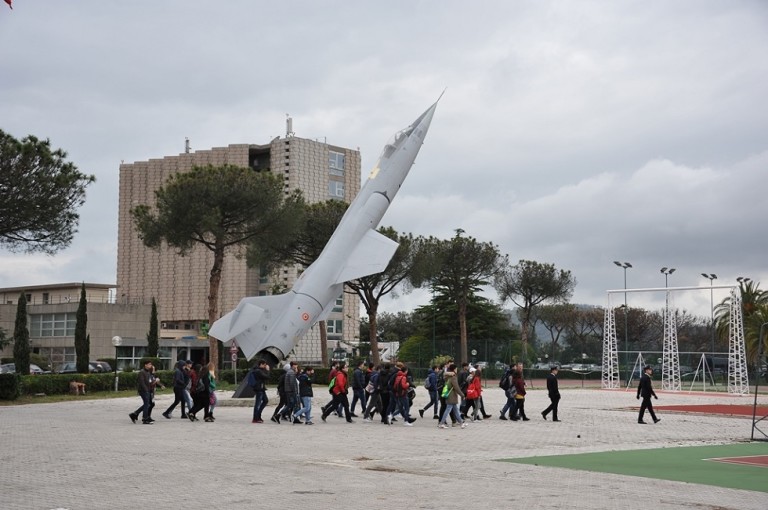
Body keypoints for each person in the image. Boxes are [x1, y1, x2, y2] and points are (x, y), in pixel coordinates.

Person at [438, 363, 467, 429]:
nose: (457, 370)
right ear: (454, 369)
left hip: (449, 395)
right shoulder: (453, 377)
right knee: (448, 410)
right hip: (452, 396)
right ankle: (441, 423)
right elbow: (456, 387)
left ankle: (461, 423)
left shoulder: (448, 376)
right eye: (456, 369)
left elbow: (444, 374)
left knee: (455, 410)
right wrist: (462, 395)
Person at [129, 360, 155, 424]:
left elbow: (149, 382)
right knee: (147, 404)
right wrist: (146, 390)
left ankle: (135, 414)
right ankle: (144, 419)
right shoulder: (142, 372)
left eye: (151, 364)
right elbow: (142, 383)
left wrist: (154, 382)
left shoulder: (148, 372)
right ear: (145, 365)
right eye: (149, 364)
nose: (150, 366)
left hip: (148, 390)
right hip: (143, 391)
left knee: (148, 404)